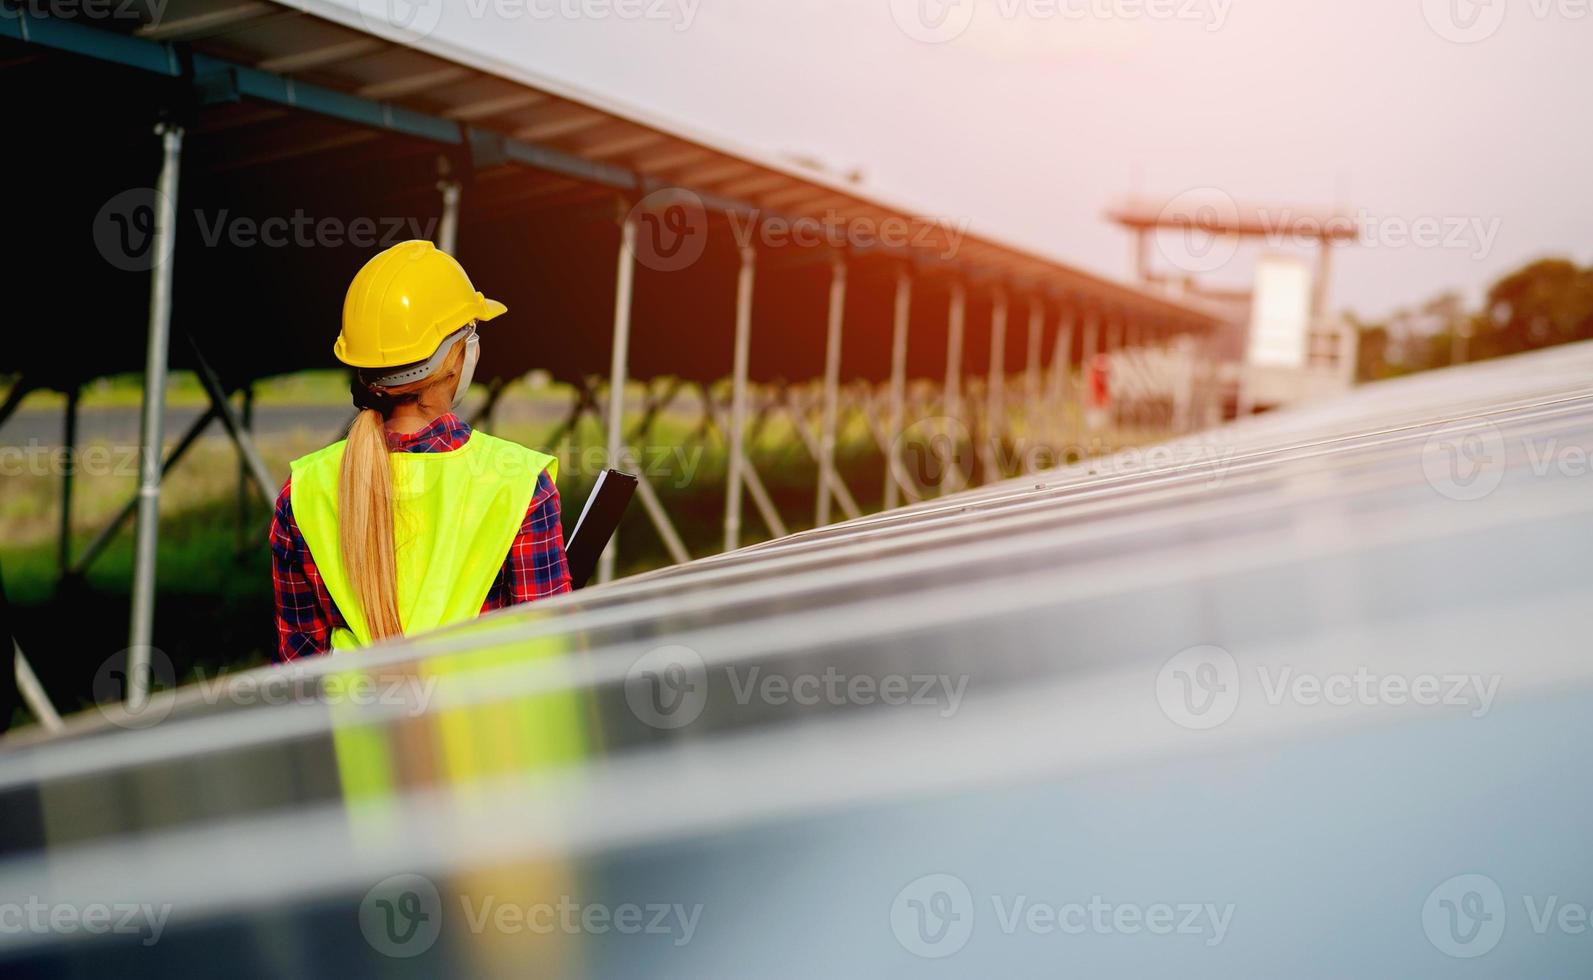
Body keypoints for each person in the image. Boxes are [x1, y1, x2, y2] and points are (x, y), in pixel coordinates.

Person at [270, 241, 570, 660]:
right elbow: (545, 657)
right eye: (470, 333)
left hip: (352, 725)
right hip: (481, 725)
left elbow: (298, 669)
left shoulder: (303, 491)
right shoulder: (518, 481)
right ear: (452, 360)